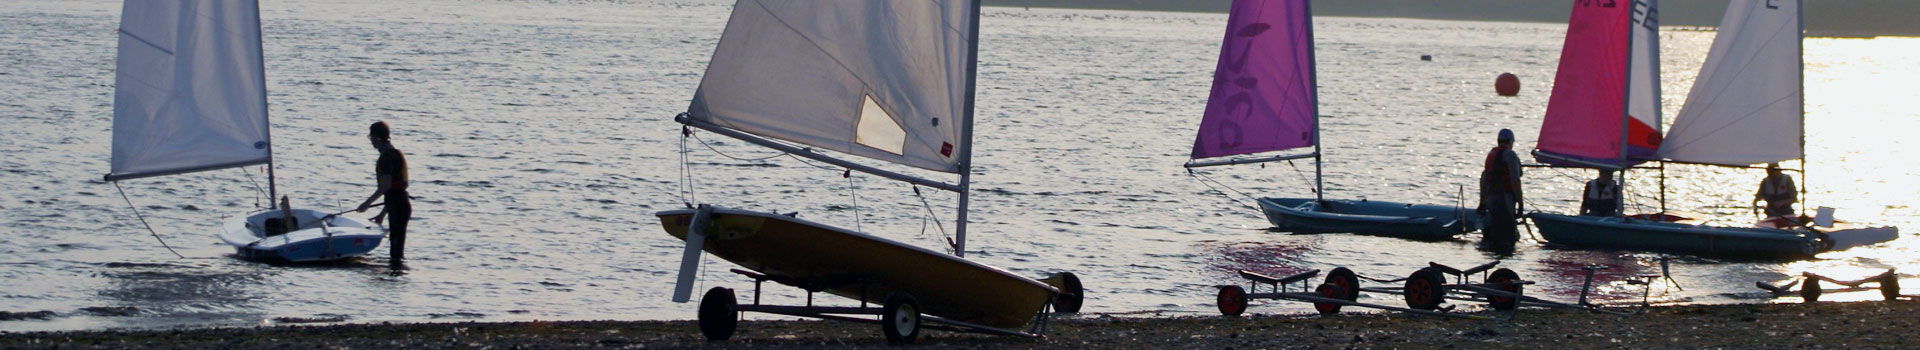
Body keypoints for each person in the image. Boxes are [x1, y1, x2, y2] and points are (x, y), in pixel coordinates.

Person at [356, 121, 411, 269]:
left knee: (396, 249)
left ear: (377, 138)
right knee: (396, 246)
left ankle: (396, 278)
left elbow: (385, 187)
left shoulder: (387, 158)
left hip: (398, 207)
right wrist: (382, 215)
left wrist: (366, 204)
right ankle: (396, 274)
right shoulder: (395, 154)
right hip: (400, 205)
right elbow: (396, 192)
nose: (371, 141)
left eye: (371, 137)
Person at [1478, 129, 1524, 251]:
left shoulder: (1491, 154)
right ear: (1511, 141)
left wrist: (1482, 202)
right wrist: (1520, 203)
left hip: (1489, 200)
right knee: (1507, 239)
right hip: (1504, 200)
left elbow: (1484, 179)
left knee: (1492, 236)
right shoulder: (1511, 155)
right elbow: (1515, 181)